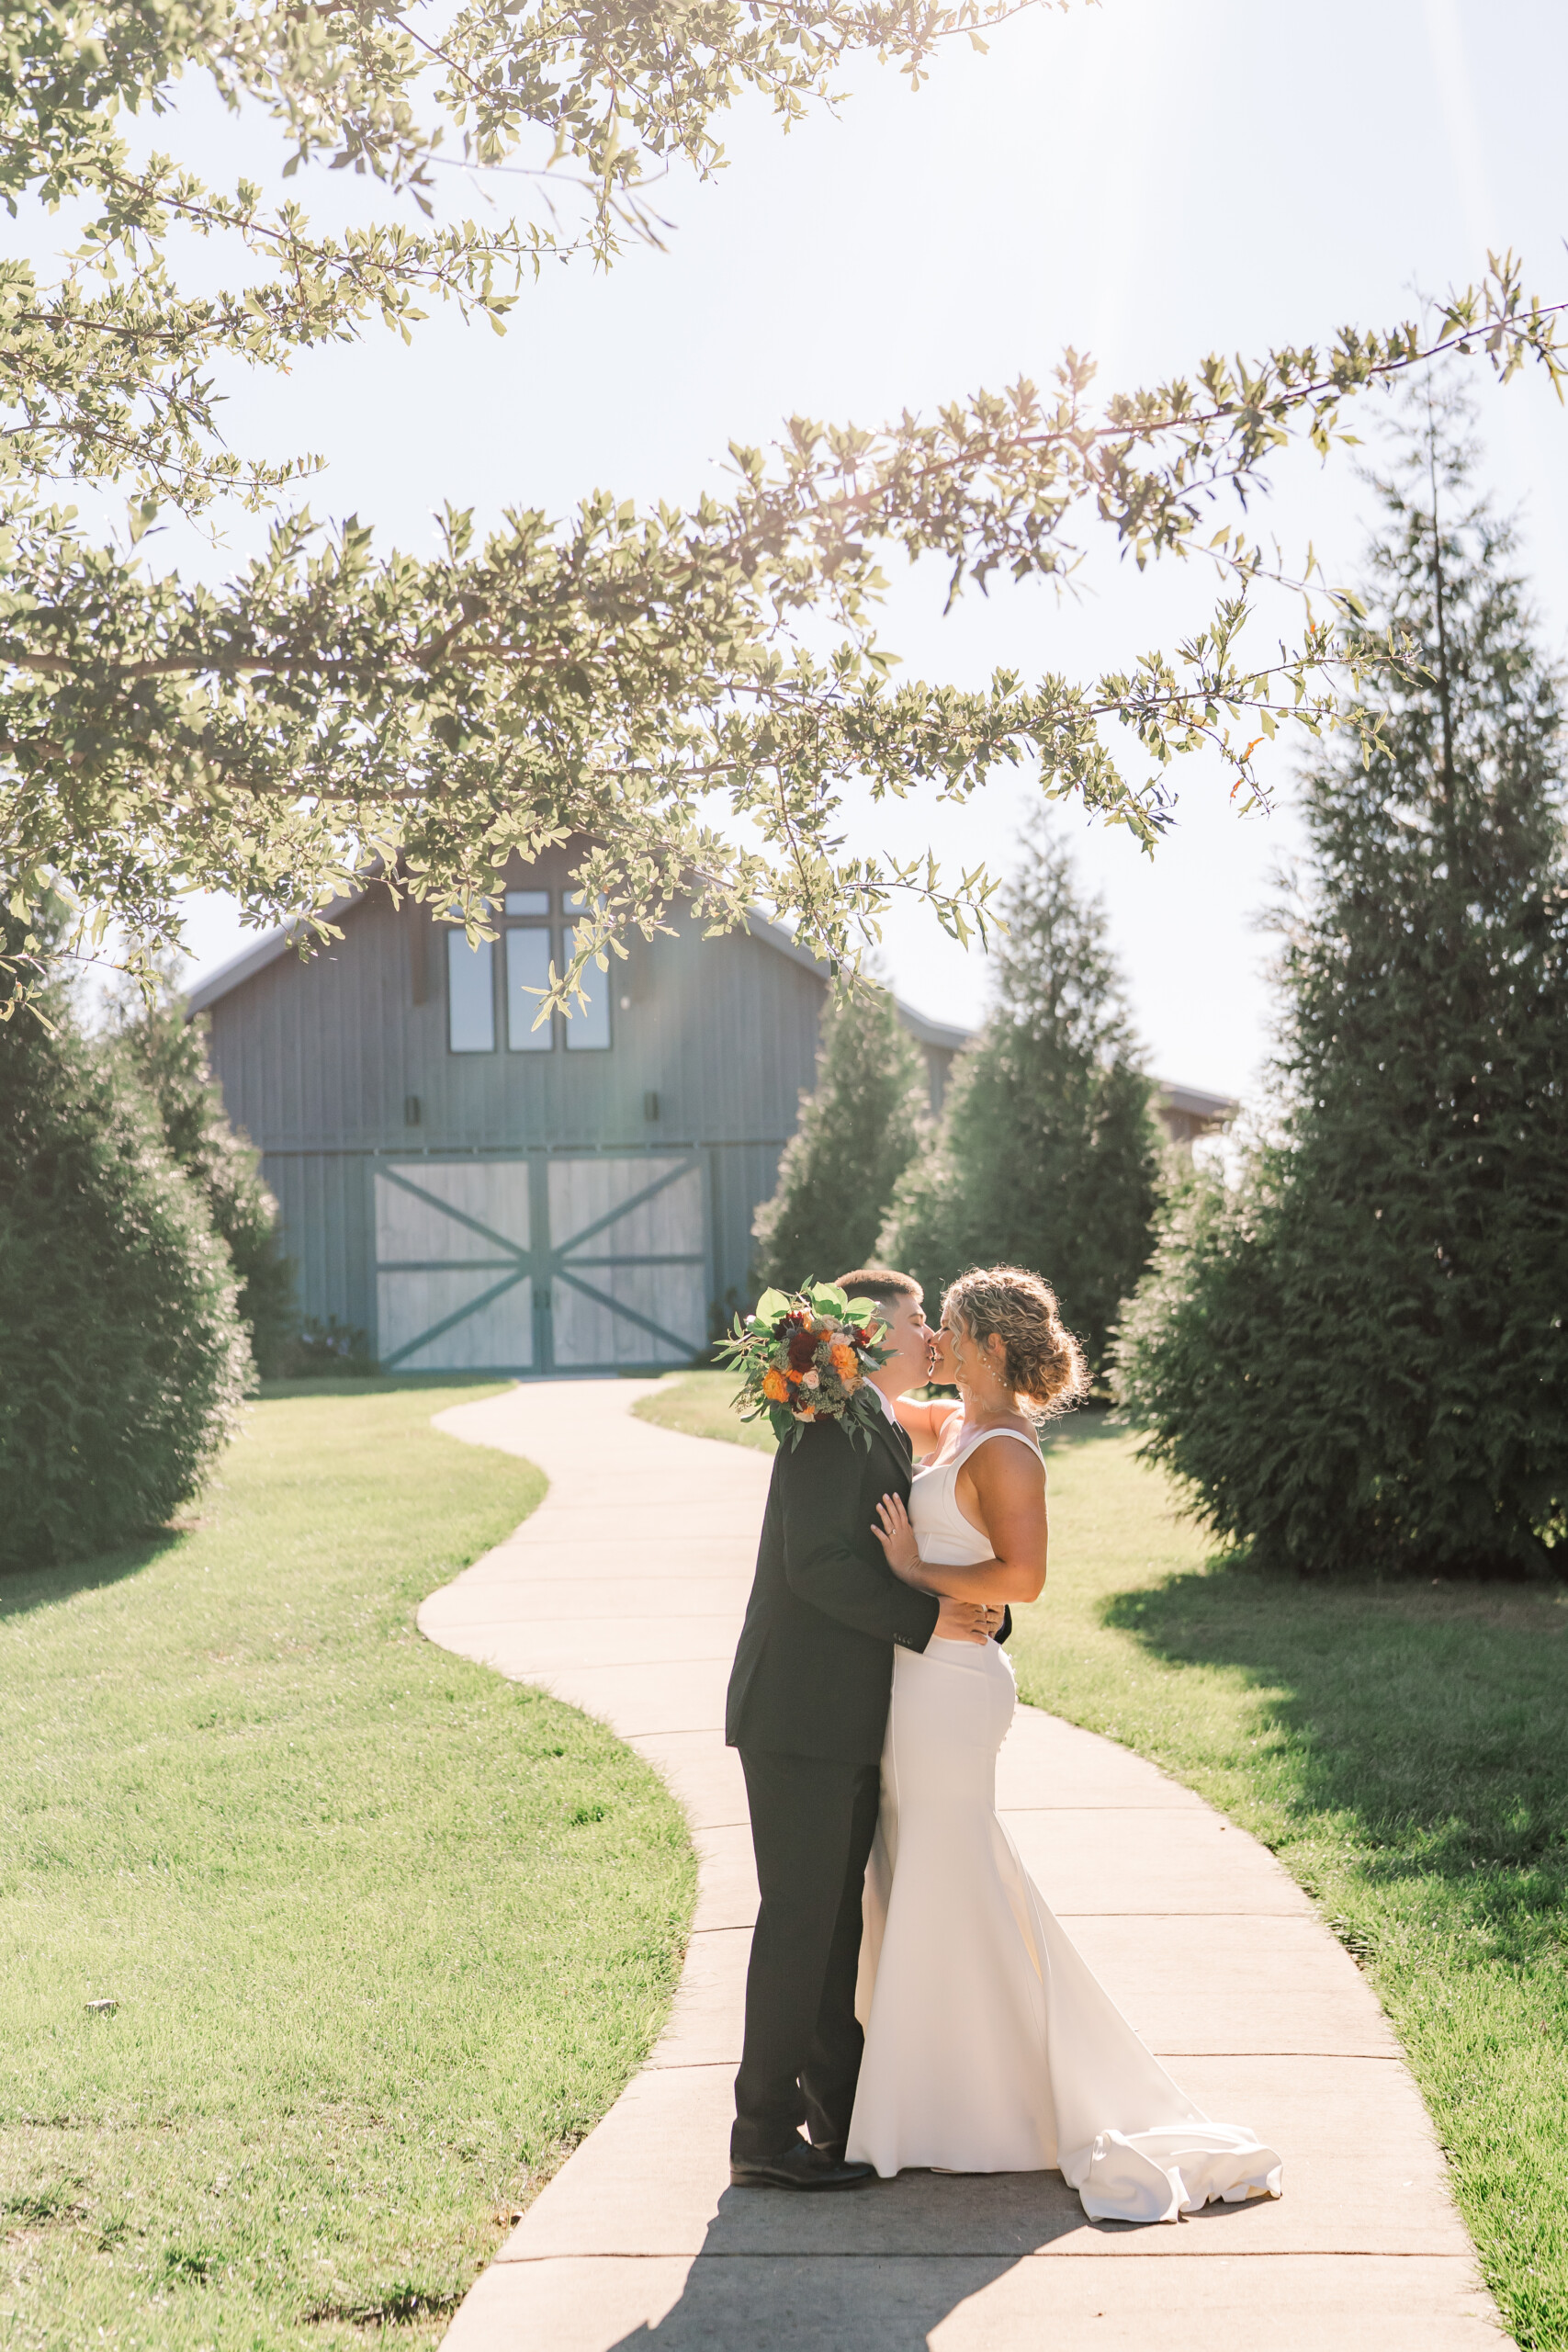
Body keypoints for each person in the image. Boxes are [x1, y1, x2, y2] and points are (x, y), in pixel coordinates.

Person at [846, 1262, 1283, 2223]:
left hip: (954, 1690)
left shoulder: (1007, 1448)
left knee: (948, 1868)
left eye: (952, 1332)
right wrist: (818, 1354)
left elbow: (1027, 1579)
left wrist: (918, 1571)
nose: (938, 1344)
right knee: (926, 1869)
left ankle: (978, 2105)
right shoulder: (954, 1422)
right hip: (919, 1680)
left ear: (993, 1348)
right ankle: (945, 2091)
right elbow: (875, 1402)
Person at [724, 1267, 1004, 2190]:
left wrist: (967, 1606)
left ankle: (836, 2119)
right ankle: (761, 2133)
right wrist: (924, 1622)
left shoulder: (877, 1422)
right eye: (920, 1320)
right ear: (872, 1335)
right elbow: (814, 1566)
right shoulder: (826, 1425)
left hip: (839, 1719)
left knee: (834, 1927)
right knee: (803, 1922)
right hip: (798, 1712)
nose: (931, 1334)